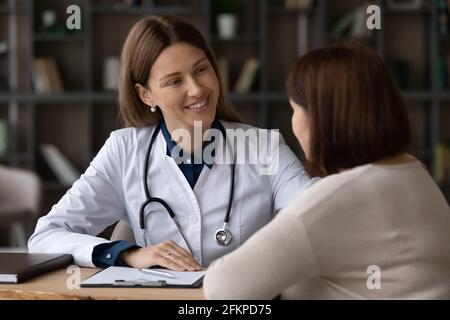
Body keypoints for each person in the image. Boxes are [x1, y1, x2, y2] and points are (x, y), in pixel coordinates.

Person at [28, 16, 315, 271]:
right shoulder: (124, 151)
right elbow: (46, 236)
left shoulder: (263, 147)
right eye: (175, 81)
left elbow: (318, 216)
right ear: (146, 95)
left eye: (201, 70)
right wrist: (127, 254)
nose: (196, 89)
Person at [203, 43, 450, 299]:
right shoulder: (416, 175)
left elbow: (223, 287)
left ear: (321, 118)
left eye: (295, 109)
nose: (294, 121)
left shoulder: (336, 198)